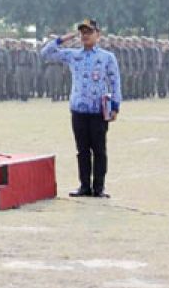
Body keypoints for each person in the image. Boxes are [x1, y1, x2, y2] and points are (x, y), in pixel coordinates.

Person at [40, 19, 123, 198]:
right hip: (78, 110)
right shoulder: (73, 55)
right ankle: (84, 186)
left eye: (89, 32)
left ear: (98, 34)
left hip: (98, 111)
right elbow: (46, 53)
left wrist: (115, 106)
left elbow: (115, 82)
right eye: (82, 32)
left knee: (99, 150)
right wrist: (64, 38)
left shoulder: (107, 57)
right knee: (82, 150)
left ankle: (99, 187)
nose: (85, 35)